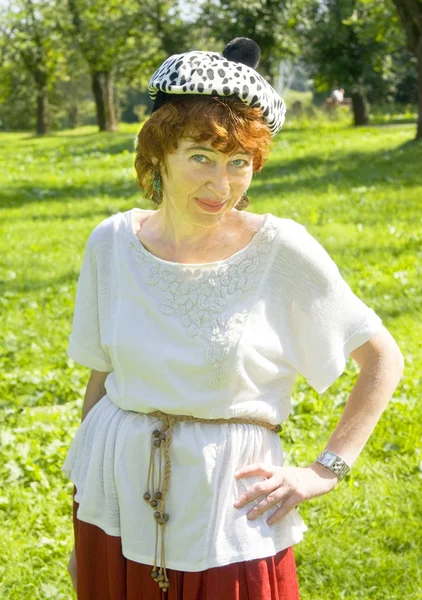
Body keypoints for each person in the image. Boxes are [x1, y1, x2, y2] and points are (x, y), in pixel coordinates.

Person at [63, 37, 404, 599]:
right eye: (200, 157)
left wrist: (324, 470)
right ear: (158, 155)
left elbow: (382, 360)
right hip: (116, 499)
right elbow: (101, 380)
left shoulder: (280, 249)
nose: (221, 185)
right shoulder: (112, 243)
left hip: (228, 506)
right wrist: (86, 533)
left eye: (238, 163)